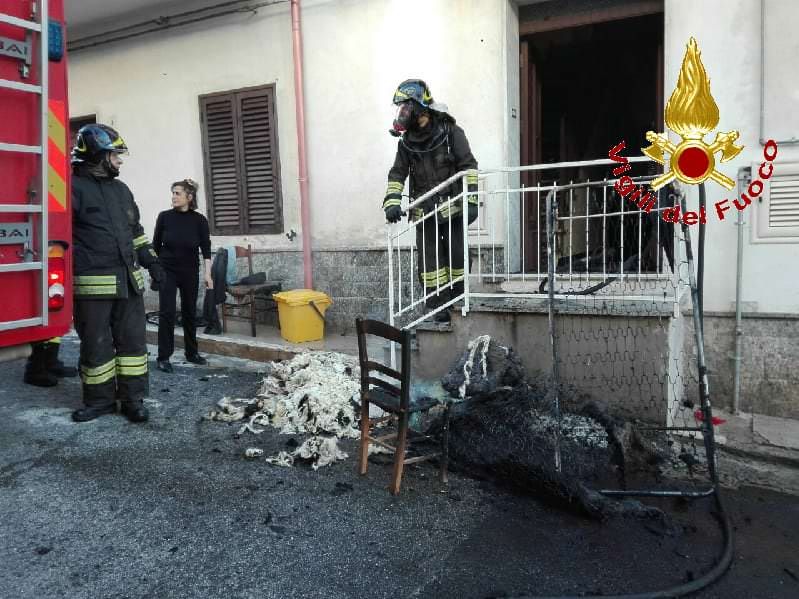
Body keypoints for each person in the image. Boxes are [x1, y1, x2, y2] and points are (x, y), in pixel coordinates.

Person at [70, 124, 164, 423]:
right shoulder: (72, 188)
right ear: (98, 155)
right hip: (93, 286)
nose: (120, 161)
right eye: (115, 155)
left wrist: (153, 263)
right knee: (96, 344)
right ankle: (100, 401)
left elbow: (135, 232)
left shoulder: (121, 190)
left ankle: (132, 399)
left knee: (133, 346)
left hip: (128, 284)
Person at [383, 79, 479, 323]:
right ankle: (437, 308)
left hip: (453, 208)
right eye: (401, 109)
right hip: (425, 213)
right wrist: (392, 202)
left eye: (406, 107)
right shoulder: (406, 143)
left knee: (457, 257)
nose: (402, 114)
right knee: (430, 263)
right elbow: (397, 174)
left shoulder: (450, 133)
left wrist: (471, 201)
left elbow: (468, 167)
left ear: (420, 107)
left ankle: (458, 303)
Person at [151, 179, 213, 372]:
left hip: (190, 271)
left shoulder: (200, 220)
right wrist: (155, 270)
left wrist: (208, 274)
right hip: (167, 270)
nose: (174, 197)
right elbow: (155, 245)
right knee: (167, 312)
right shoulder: (164, 217)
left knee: (189, 312)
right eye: (173, 193)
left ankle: (191, 352)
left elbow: (206, 248)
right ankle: (163, 357)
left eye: (178, 193)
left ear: (189, 197)